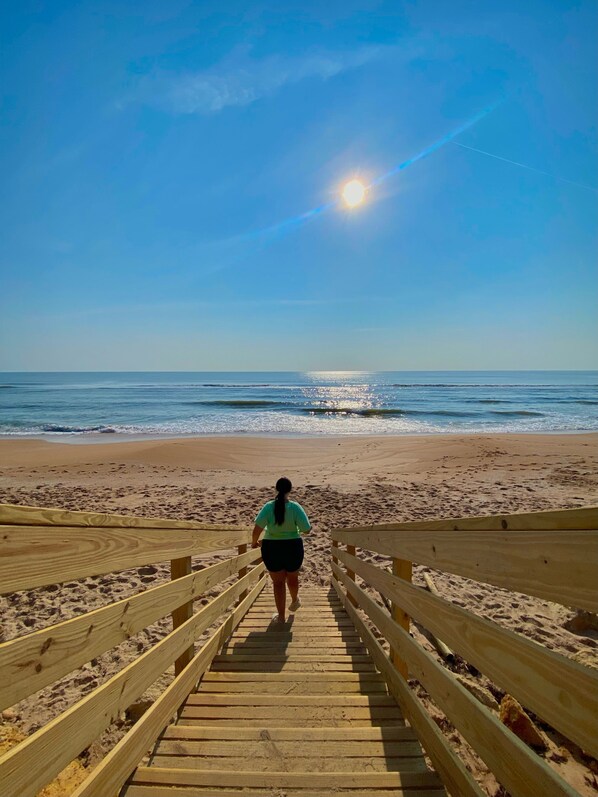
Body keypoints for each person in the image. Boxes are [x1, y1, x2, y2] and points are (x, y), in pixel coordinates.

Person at [252, 476, 311, 623]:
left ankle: (282, 617)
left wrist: (254, 542)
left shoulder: (268, 507)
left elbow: (257, 528)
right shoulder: (295, 507)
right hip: (293, 546)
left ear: (276, 489)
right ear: (290, 490)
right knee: (292, 577)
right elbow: (306, 530)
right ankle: (295, 600)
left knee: (278, 583)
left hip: (272, 548)